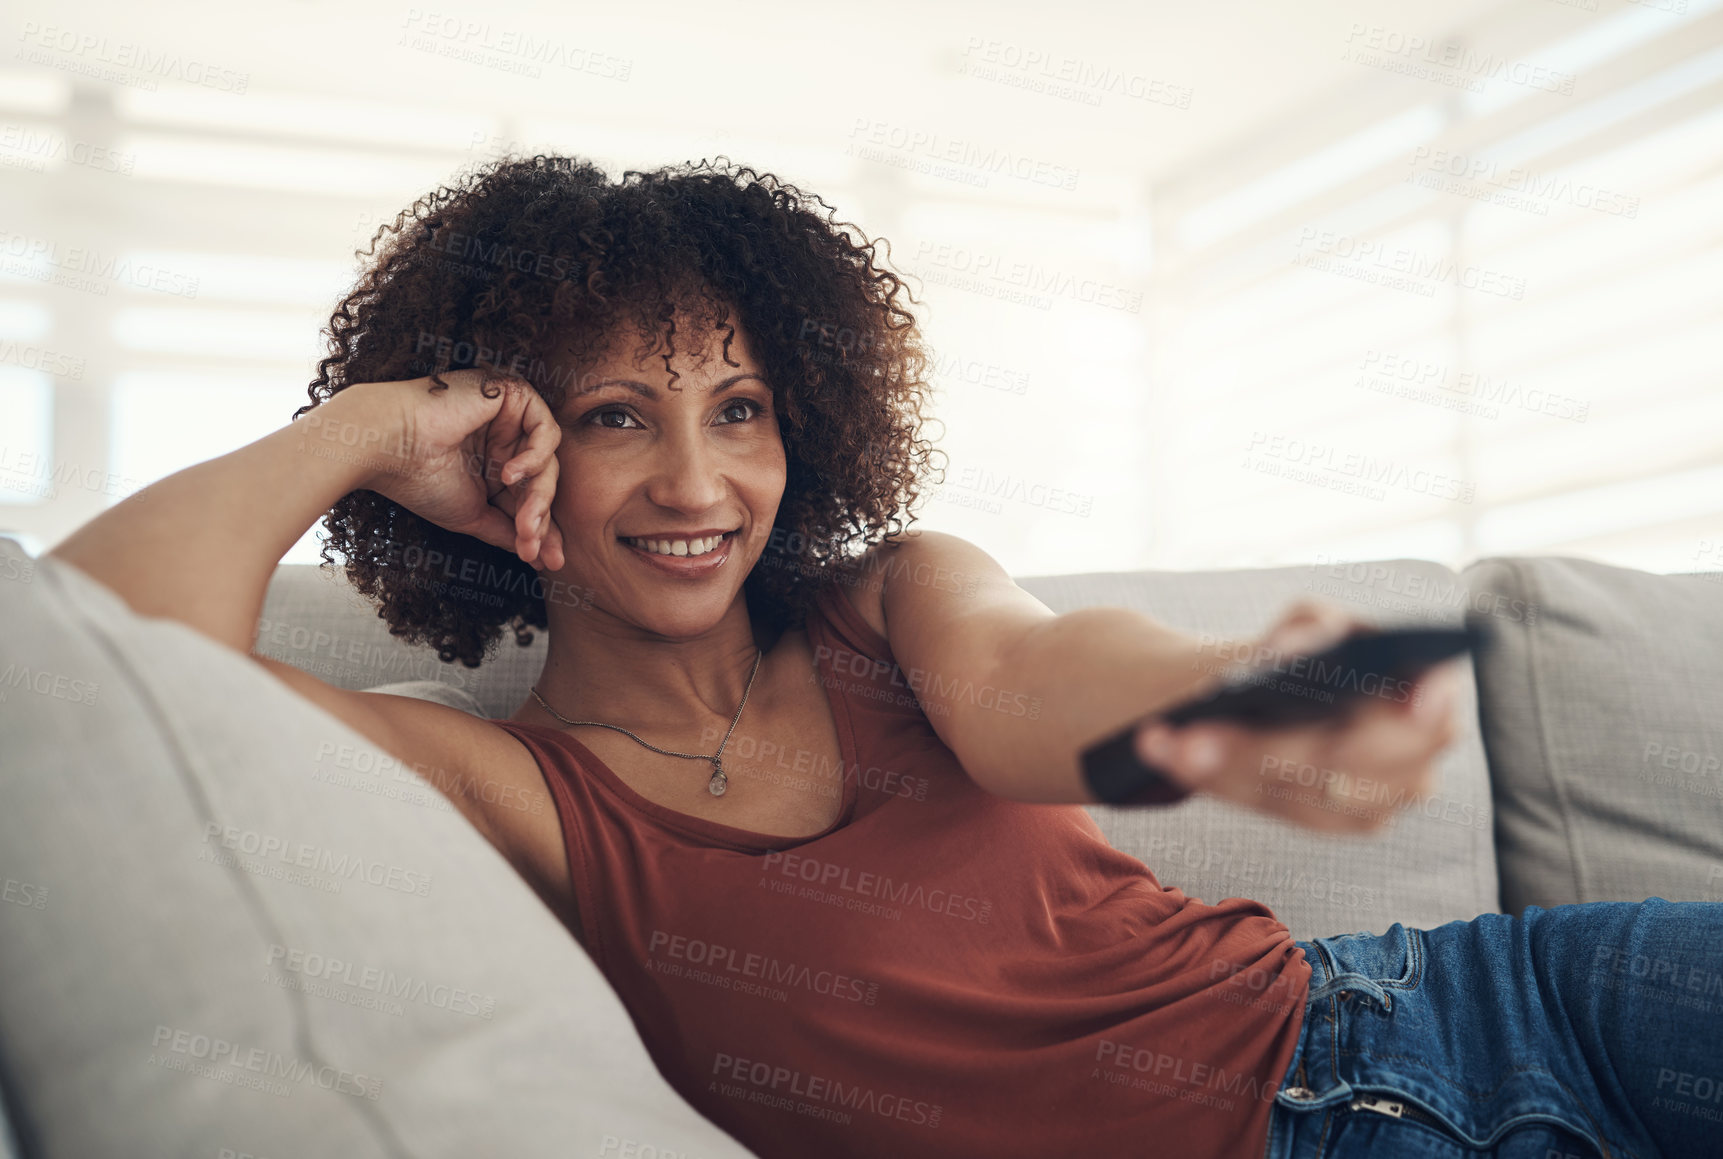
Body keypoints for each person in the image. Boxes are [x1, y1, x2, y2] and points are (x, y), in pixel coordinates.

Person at [48, 155, 1723, 1159]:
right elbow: (88, 653)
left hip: (1501, 1006)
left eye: (742, 411)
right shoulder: (513, 791)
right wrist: (368, 425)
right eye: (618, 417)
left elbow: (1036, 691)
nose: (700, 486)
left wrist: (1230, 708)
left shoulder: (887, 603)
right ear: (511, 445)